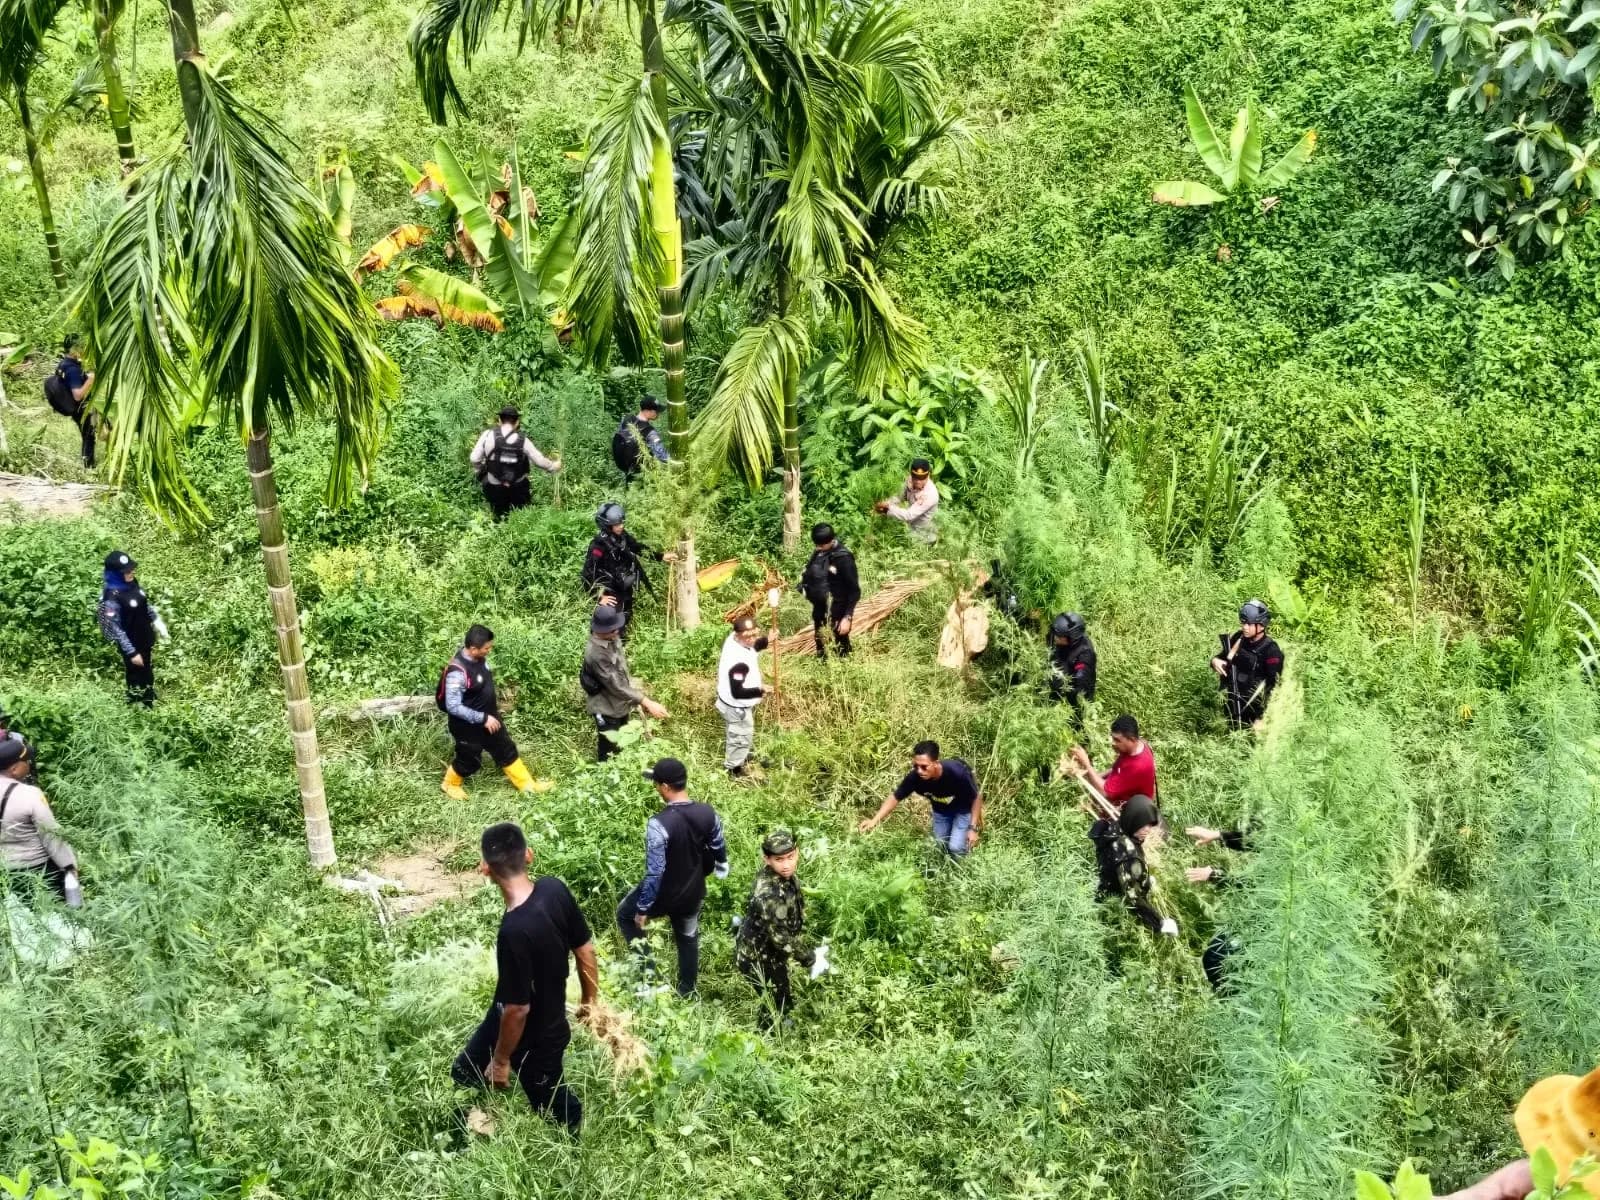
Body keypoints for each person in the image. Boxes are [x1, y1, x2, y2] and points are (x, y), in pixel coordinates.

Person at [450, 822, 598, 1137]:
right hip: (504, 1015)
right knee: (465, 1072)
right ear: (528, 855)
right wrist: (590, 1002)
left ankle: (571, 1150)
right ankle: (472, 1133)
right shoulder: (553, 889)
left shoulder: (514, 932)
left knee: (554, 1106)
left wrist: (502, 1059)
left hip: (539, 1036)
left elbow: (519, 1009)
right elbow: (585, 949)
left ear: (485, 870)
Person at [616, 758, 728, 997]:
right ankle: (687, 991)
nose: (656, 788)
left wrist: (644, 908)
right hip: (694, 891)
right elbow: (718, 842)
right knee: (688, 937)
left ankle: (650, 979)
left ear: (666, 786)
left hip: (665, 894)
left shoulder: (658, 824)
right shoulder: (707, 812)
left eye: (656, 784)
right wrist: (722, 863)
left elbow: (655, 872)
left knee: (625, 916)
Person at [435, 625, 552, 800]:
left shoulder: (479, 659)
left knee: (506, 749)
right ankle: (450, 784)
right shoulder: (457, 673)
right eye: (486, 648)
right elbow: (453, 706)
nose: (489, 651)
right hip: (467, 726)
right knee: (470, 760)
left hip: (490, 718)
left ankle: (528, 786)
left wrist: (489, 715)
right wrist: (482, 718)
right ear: (473, 648)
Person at [736, 828, 824, 1028]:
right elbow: (781, 939)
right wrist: (810, 958)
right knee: (778, 1003)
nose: (786, 865)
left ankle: (779, 1031)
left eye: (790, 857)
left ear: (797, 852)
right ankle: (767, 1043)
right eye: (779, 860)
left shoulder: (785, 877)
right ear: (767, 859)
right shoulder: (769, 893)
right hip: (759, 959)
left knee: (779, 997)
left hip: (771, 954)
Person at [859, 740, 985, 858]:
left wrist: (972, 828)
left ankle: (963, 871)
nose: (919, 771)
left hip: (963, 810)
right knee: (939, 845)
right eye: (916, 766)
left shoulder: (956, 772)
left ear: (936, 763)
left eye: (924, 766)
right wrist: (874, 821)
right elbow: (895, 797)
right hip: (941, 812)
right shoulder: (914, 778)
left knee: (955, 847)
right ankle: (946, 871)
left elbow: (976, 798)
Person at [581, 604, 669, 761]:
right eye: (613, 629)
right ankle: (604, 774)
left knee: (622, 739)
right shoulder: (596, 654)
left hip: (620, 703)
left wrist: (636, 698)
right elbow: (616, 685)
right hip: (606, 707)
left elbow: (621, 671)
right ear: (601, 631)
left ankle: (621, 766)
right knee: (609, 747)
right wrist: (646, 701)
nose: (617, 631)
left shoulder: (612, 637)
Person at [0, 739, 79, 904]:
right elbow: (51, 836)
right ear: (14, 769)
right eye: (26, 761)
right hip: (39, 872)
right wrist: (70, 867)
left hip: (6, 876)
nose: (29, 763)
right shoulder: (29, 794)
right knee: (57, 919)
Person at [1088, 794, 1176, 937]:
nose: (1148, 830)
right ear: (1133, 820)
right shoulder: (1128, 857)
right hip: (1114, 902)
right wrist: (1160, 924)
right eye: (1143, 824)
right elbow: (1133, 899)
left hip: (1106, 879)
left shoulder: (1118, 827)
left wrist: (1144, 879)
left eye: (1150, 824)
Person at [581, 502, 672, 636]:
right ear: (606, 525)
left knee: (626, 615)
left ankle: (622, 646)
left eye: (622, 523)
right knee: (610, 625)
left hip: (623, 585)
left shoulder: (622, 535)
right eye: (617, 525)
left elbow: (637, 547)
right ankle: (604, 651)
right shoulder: (598, 545)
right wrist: (599, 597)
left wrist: (660, 556)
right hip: (610, 591)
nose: (621, 526)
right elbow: (587, 573)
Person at [1185, 823, 1254, 992]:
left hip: (1272, 922)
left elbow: (1254, 883)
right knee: (1214, 954)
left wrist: (1215, 875)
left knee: (1217, 957)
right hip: (1261, 912)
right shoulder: (1279, 839)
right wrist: (1217, 835)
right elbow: (1255, 840)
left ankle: (1234, 1000)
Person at [98, 550, 166, 707]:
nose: (131, 572)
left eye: (131, 569)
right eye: (126, 571)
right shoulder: (112, 597)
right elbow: (115, 628)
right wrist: (131, 652)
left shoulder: (132, 583)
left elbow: (143, 603)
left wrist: (156, 620)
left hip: (144, 636)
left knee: (147, 668)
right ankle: (136, 701)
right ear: (115, 574)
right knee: (135, 673)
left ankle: (148, 694)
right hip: (130, 641)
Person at [469, 405, 560, 521]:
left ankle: (498, 518)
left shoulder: (487, 435)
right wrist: (553, 466)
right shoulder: (523, 441)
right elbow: (540, 461)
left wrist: (481, 469)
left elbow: (474, 459)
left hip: (495, 489)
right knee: (521, 512)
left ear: (499, 421)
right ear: (517, 422)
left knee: (498, 511)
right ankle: (519, 518)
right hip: (517, 489)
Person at [1211, 599, 1284, 730]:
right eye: (1243, 622)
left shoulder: (1271, 651)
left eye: (1249, 623)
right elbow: (1222, 657)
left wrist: (1263, 718)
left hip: (1256, 712)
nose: (1244, 627)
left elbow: (1275, 686)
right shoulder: (1239, 638)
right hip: (1233, 702)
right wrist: (1214, 661)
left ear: (1261, 625)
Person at [716, 615, 771, 781]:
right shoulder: (737, 662)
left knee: (739, 734)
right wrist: (760, 691)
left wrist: (768, 640)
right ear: (738, 635)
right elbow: (738, 692)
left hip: (731, 702)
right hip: (735, 706)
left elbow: (753, 646)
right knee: (740, 735)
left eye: (755, 634)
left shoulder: (734, 639)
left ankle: (741, 754)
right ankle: (734, 769)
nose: (753, 639)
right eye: (748, 636)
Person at [798, 523, 860, 660]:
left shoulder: (844, 558)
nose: (817, 548)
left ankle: (846, 670)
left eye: (821, 546)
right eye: (816, 545)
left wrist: (847, 617)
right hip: (820, 607)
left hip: (838, 607)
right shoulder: (820, 551)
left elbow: (855, 591)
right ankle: (822, 665)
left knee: (841, 645)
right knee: (820, 641)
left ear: (831, 540)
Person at [1069, 714, 1156, 810]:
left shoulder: (1137, 766)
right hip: (1129, 788)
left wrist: (1087, 765)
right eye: (1113, 738)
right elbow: (1117, 769)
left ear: (1132, 739)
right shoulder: (1137, 745)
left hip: (1133, 808)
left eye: (1117, 740)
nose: (1113, 743)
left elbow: (1105, 793)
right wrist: (1096, 776)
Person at [44, 334, 96, 468]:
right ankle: (89, 466)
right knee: (88, 436)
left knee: (88, 434)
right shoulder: (73, 369)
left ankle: (89, 463)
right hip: (80, 408)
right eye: (81, 346)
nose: (84, 348)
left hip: (73, 407)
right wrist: (90, 380)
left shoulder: (64, 363)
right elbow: (78, 395)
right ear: (74, 349)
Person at [874, 458, 940, 544]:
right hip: (909, 526)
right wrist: (886, 503)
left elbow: (909, 515)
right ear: (911, 474)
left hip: (923, 534)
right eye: (915, 477)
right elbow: (899, 497)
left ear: (928, 475)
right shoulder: (910, 480)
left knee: (895, 540)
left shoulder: (930, 494)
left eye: (921, 478)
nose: (918, 481)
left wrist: (887, 509)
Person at [1047, 612, 1097, 716]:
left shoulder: (1084, 654)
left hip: (1074, 701)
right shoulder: (1060, 638)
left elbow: (1080, 684)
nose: (1056, 638)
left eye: (1060, 636)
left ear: (1072, 637)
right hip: (1056, 685)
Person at [612, 394, 669, 481]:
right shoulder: (650, 432)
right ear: (649, 411)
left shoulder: (626, 419)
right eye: (656, 411)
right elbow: (662, 456)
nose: (658, 414)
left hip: (625, 467)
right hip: (641, 474)